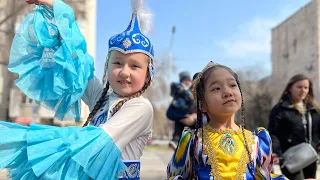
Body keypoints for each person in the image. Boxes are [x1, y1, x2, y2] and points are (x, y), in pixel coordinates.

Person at [0, 0, 155, 179]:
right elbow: (74, 62)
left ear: (148, 74)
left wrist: (29, 139)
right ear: (107, 67)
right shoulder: (102, 97)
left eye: (135, 66)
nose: (124, 72)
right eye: (117, 63)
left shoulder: (141, 107)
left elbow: (95, 142)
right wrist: (59, 11)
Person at [166, 61, 288, 179]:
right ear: (202, 104)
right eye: (216, 88)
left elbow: (267, 178)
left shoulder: (257, 142)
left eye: (232, 85)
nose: (228, 92)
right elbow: (175, 176)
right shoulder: (193, 141)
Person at [268, 74, 320, 180]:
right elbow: (274, 133)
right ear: (290, 88)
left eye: (306, 88)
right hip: (290, 157)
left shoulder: (313, 109)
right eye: (299, 87)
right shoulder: (280, 109)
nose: (303, 90)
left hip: (311, 155)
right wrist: (276, 152)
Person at [167, 71, 196, 148]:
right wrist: (182, 117)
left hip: (194, 126)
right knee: (178, 127)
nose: (187, 82)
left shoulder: (196, 92)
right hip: (182, 117)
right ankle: (175, 140)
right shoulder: (178, 92)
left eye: (188, 80)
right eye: (184, 80)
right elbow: (169, 113)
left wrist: (193, 119)